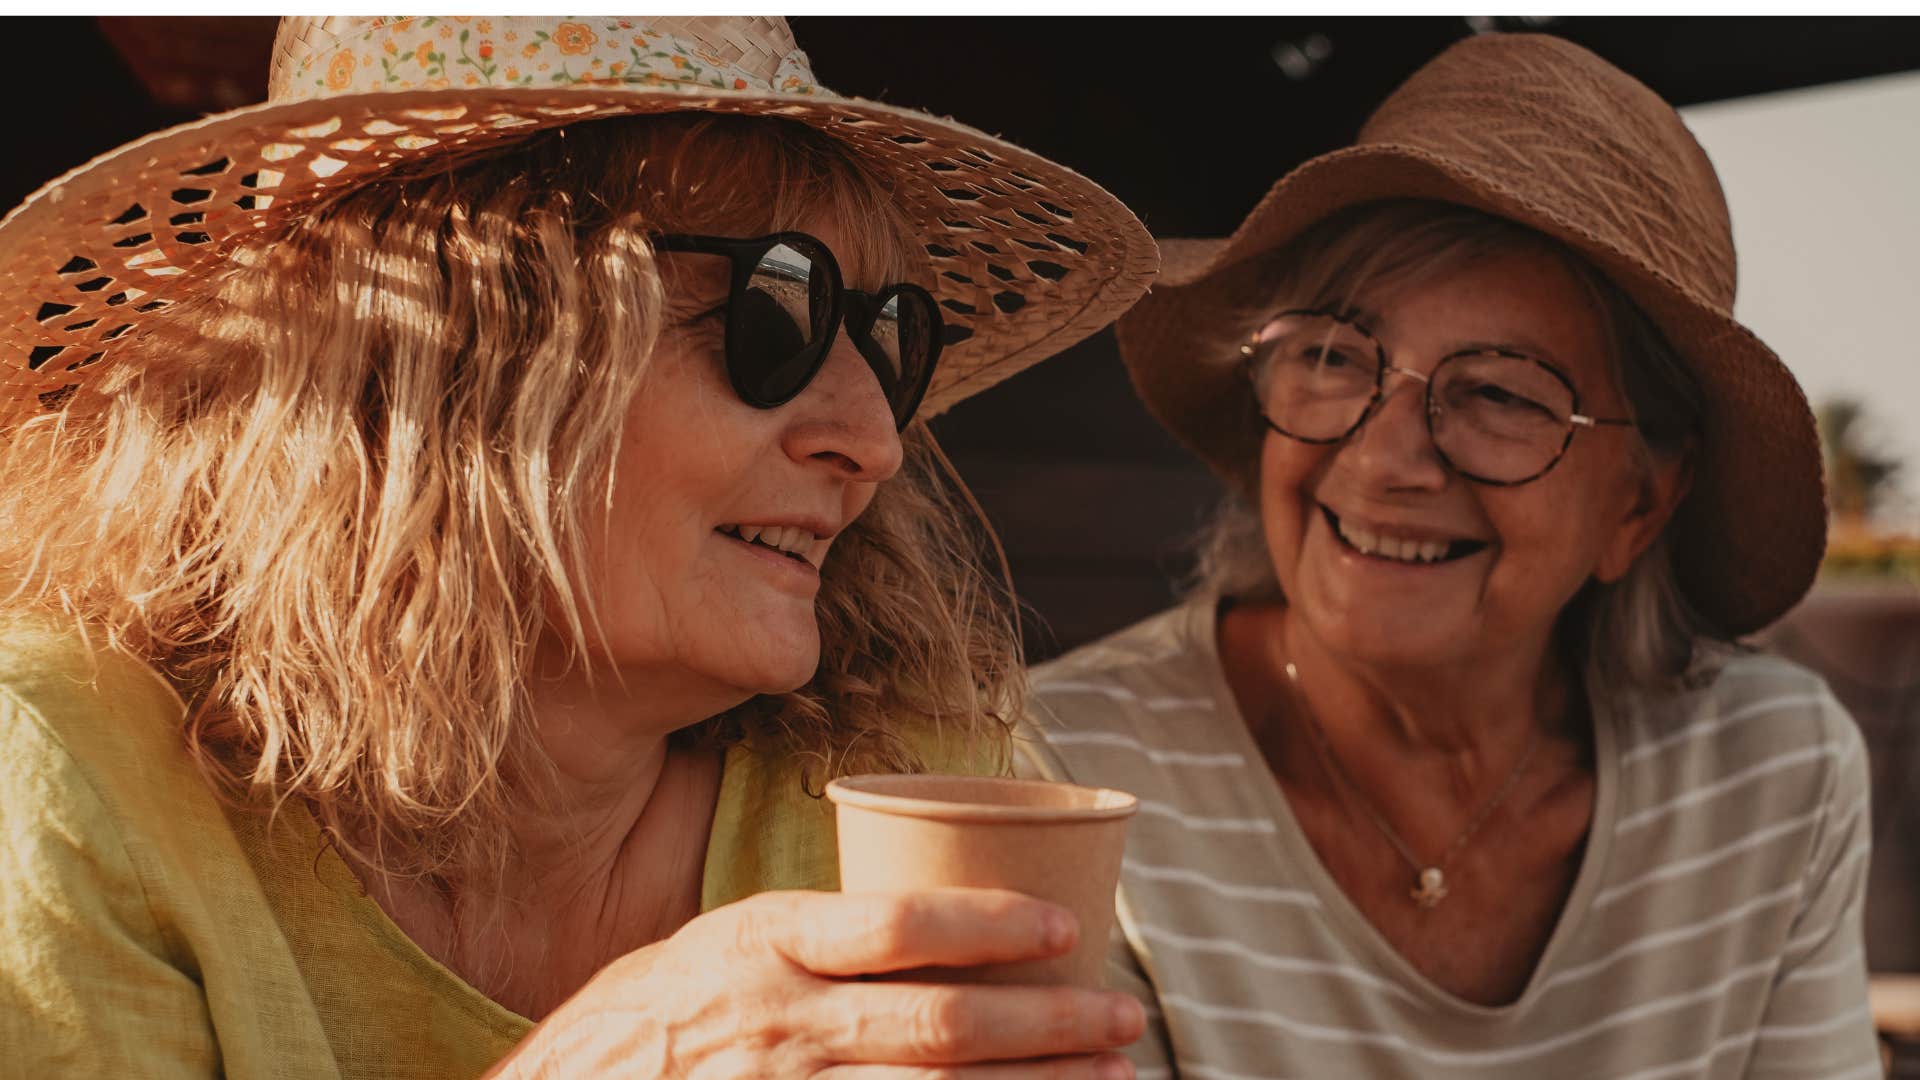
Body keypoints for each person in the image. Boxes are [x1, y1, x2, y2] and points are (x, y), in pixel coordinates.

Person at [0, 16, 1159, 1078]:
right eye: (778, 315)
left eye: (891, 339)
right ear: (455, 358)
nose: (874, 440)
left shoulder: (905, 797)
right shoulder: (80, 774)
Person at [1020, 33, 1879, 1079]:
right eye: (1335, 358)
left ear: (1642, 504)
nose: (1384, 460)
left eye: (1503, 394)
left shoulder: (1772, 776)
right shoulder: (1062, 771)